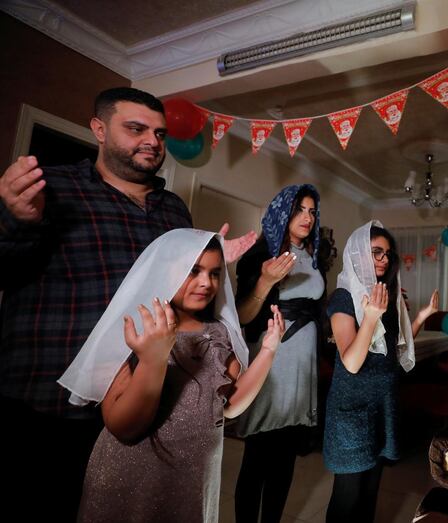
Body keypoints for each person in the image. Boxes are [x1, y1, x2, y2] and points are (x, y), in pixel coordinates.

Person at [0, 86, 256, 521]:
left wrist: (209, 266)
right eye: (136, 129)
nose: (153, 142)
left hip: (143, 399)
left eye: (159, 133)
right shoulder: (53, 186)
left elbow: (178, 299)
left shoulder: (173, 208)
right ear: (99, 129)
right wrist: (15, 220)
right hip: (50, 406)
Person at [58, 229, 283, 522]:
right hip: (132, 479)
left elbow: (228, 407)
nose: (206, 283)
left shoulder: (219, 334)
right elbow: (123, 426)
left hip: (190, 482)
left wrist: (267, 352)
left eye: (215, 273)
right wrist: (154, 359)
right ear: (166, 271)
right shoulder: (137, 329)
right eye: (194, 270)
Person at [324, 221, 438, 522]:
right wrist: (371, 317)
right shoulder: (343, 298)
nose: (383, 259)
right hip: (352, 409)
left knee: (370, 492)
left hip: (382, 405)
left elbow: (397, 345)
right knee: (348, 496)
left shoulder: (385, 298)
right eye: (376, 252)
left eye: (387, 253)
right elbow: (351, 362)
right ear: (358, 253)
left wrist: (422, 316)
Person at [233, 184, 325, 523]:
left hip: (303, 366)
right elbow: (242, 316)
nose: (307, 217)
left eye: (312, 211)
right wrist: (264, 282)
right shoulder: (260, 255)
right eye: (300, 209)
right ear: (283, 212)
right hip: (272, 362)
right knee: (258, 455)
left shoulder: (315, 256)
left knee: (286, 457)